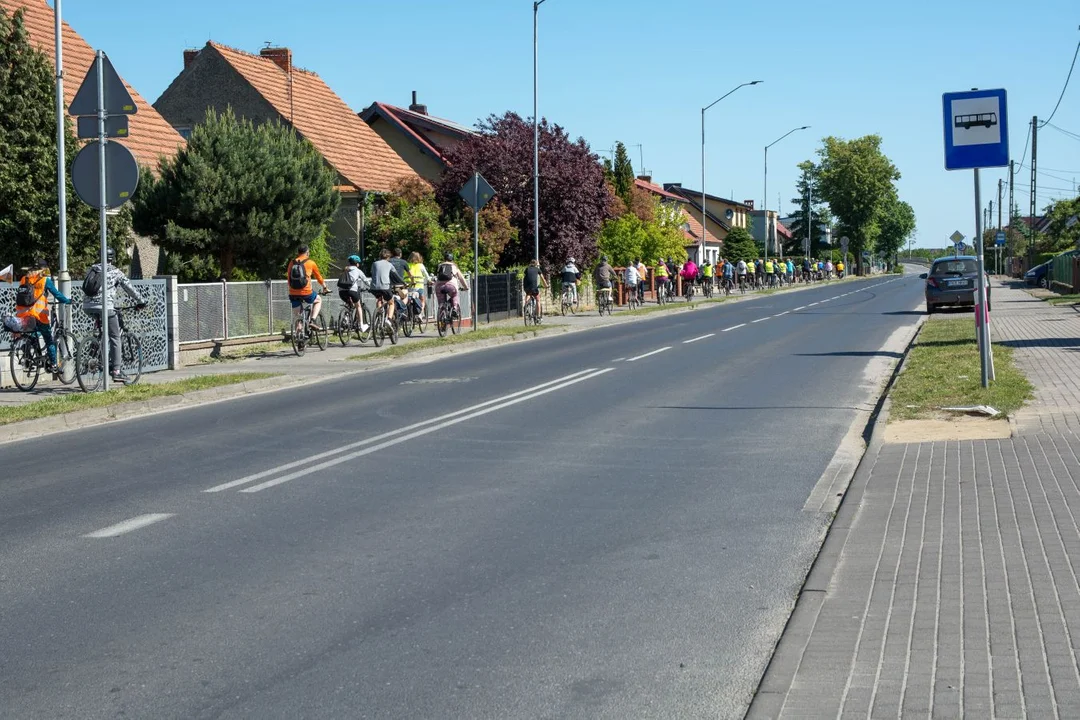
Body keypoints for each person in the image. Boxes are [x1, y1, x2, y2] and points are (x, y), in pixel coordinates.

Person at [82, 247, 146, 384]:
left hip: (87, 307)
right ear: (112, 258)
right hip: (106, 307)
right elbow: (129, 288)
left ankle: (95, 350)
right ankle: (116, 371)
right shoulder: (115, 271)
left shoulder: (92, 269)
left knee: (102, 331)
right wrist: (141, 301)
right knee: (115, 337)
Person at [14, 258, 71, 374]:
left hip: (22, 314)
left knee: (33, 333)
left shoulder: (24, 279)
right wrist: (67, 300)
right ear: (43, 269)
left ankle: (28, 352)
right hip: (38, 315)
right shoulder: (44, 280)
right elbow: (57, 294)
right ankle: (54, 365)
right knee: (49, 339)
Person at [287, 244, 328, 333]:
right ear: (307, 252)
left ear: (298, 253)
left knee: (298, 319)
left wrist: (292, 290)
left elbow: (288, 279)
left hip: (293, 293)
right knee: (318, 300)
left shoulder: (292, 262)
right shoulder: (311, 262)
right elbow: (319, 277)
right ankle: (312, 321)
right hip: (306, 292)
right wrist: (325, 287)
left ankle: (299, 340)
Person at [372, 248, 407, 322]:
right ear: (388, 257)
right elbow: (396, 275)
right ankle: (389, 320)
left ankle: (379, 314)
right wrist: (403, 283)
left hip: (374, 287)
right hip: (385, 286)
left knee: (379, 299)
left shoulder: (374, 263)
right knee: (391, 303)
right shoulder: (389, 264)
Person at [337, 255, 370, 332]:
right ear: (357, 264)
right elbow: (365, 280)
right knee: (358, 306)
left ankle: (346, 316)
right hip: (352, 290)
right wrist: (371, 287)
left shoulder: (345, 269)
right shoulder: (358, 271)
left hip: (341, 291)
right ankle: (361, 325)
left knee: (349, 303)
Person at [434, 251, 469, 318]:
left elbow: (437, 276)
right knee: (455, 295)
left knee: (441, 302)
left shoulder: (440, 266)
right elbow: (461, 278)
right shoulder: (454, 266)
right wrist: (466, 287)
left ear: (444, 259)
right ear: (452, 259)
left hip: (439, 286)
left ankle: (442, 318)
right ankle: (455, 309)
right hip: (451, 286)